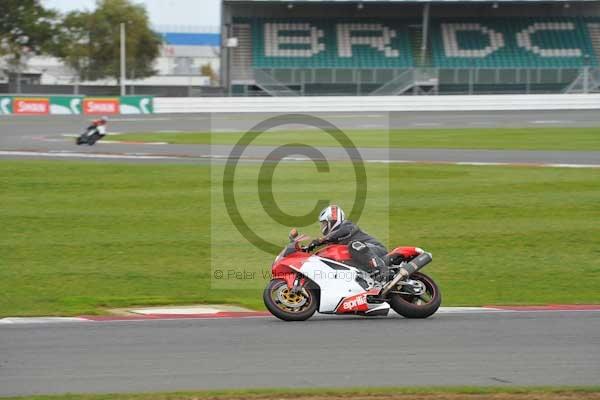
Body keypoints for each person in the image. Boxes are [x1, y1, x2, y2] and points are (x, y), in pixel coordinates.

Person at [307, 205, 389, 283]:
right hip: (366, 256)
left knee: (354, 245)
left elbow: (341, 231)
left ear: (331, 221)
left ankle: (382, 269)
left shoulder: (346, 225)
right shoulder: (334, 240)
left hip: (377, 250)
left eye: (324, 223)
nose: (322, 226)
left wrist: (321, 240)